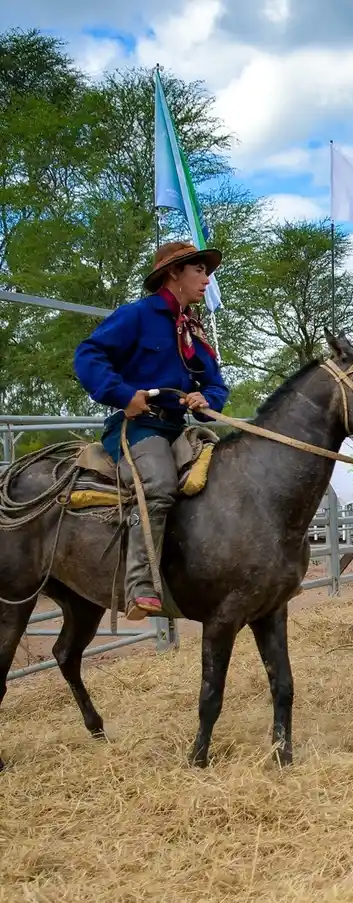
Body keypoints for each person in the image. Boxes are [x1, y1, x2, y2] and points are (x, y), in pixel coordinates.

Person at [73, 241, 228, 620]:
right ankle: (140, 586)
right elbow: (88, 354)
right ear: (174, 274)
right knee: (158, 484)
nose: (206, 279)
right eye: (199, 270)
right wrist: (124, 394)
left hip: (178, 428)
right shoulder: (137, 316)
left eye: (207, 272)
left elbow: (217, 386)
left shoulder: (193, 329)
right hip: (137, 427)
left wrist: (204, 399)